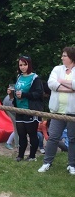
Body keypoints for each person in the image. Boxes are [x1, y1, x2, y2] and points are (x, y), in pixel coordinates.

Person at [38, 46, 75, 174]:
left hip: (73, 112)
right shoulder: (57, 69)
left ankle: (72, 165)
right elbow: (51, 84)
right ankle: (47, 163)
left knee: (73, 139)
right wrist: (70, 88)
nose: (62, 58)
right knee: (53, 137)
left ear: (71, 57)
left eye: (65, 55)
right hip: (57, 111)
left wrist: (61, 81)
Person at [13, 55, 43, 162]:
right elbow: (17, 91)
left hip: (30, 109)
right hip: (19, 109)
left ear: (29, 65)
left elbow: (39, 94)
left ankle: (32, 156)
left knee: (32, 134)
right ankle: (20, 156)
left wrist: (24, 95)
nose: (22, 67)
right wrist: (12, 93)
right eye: (20, 65)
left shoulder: (35, 78)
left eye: (24, 65)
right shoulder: (19, 77)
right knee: (21, 134)